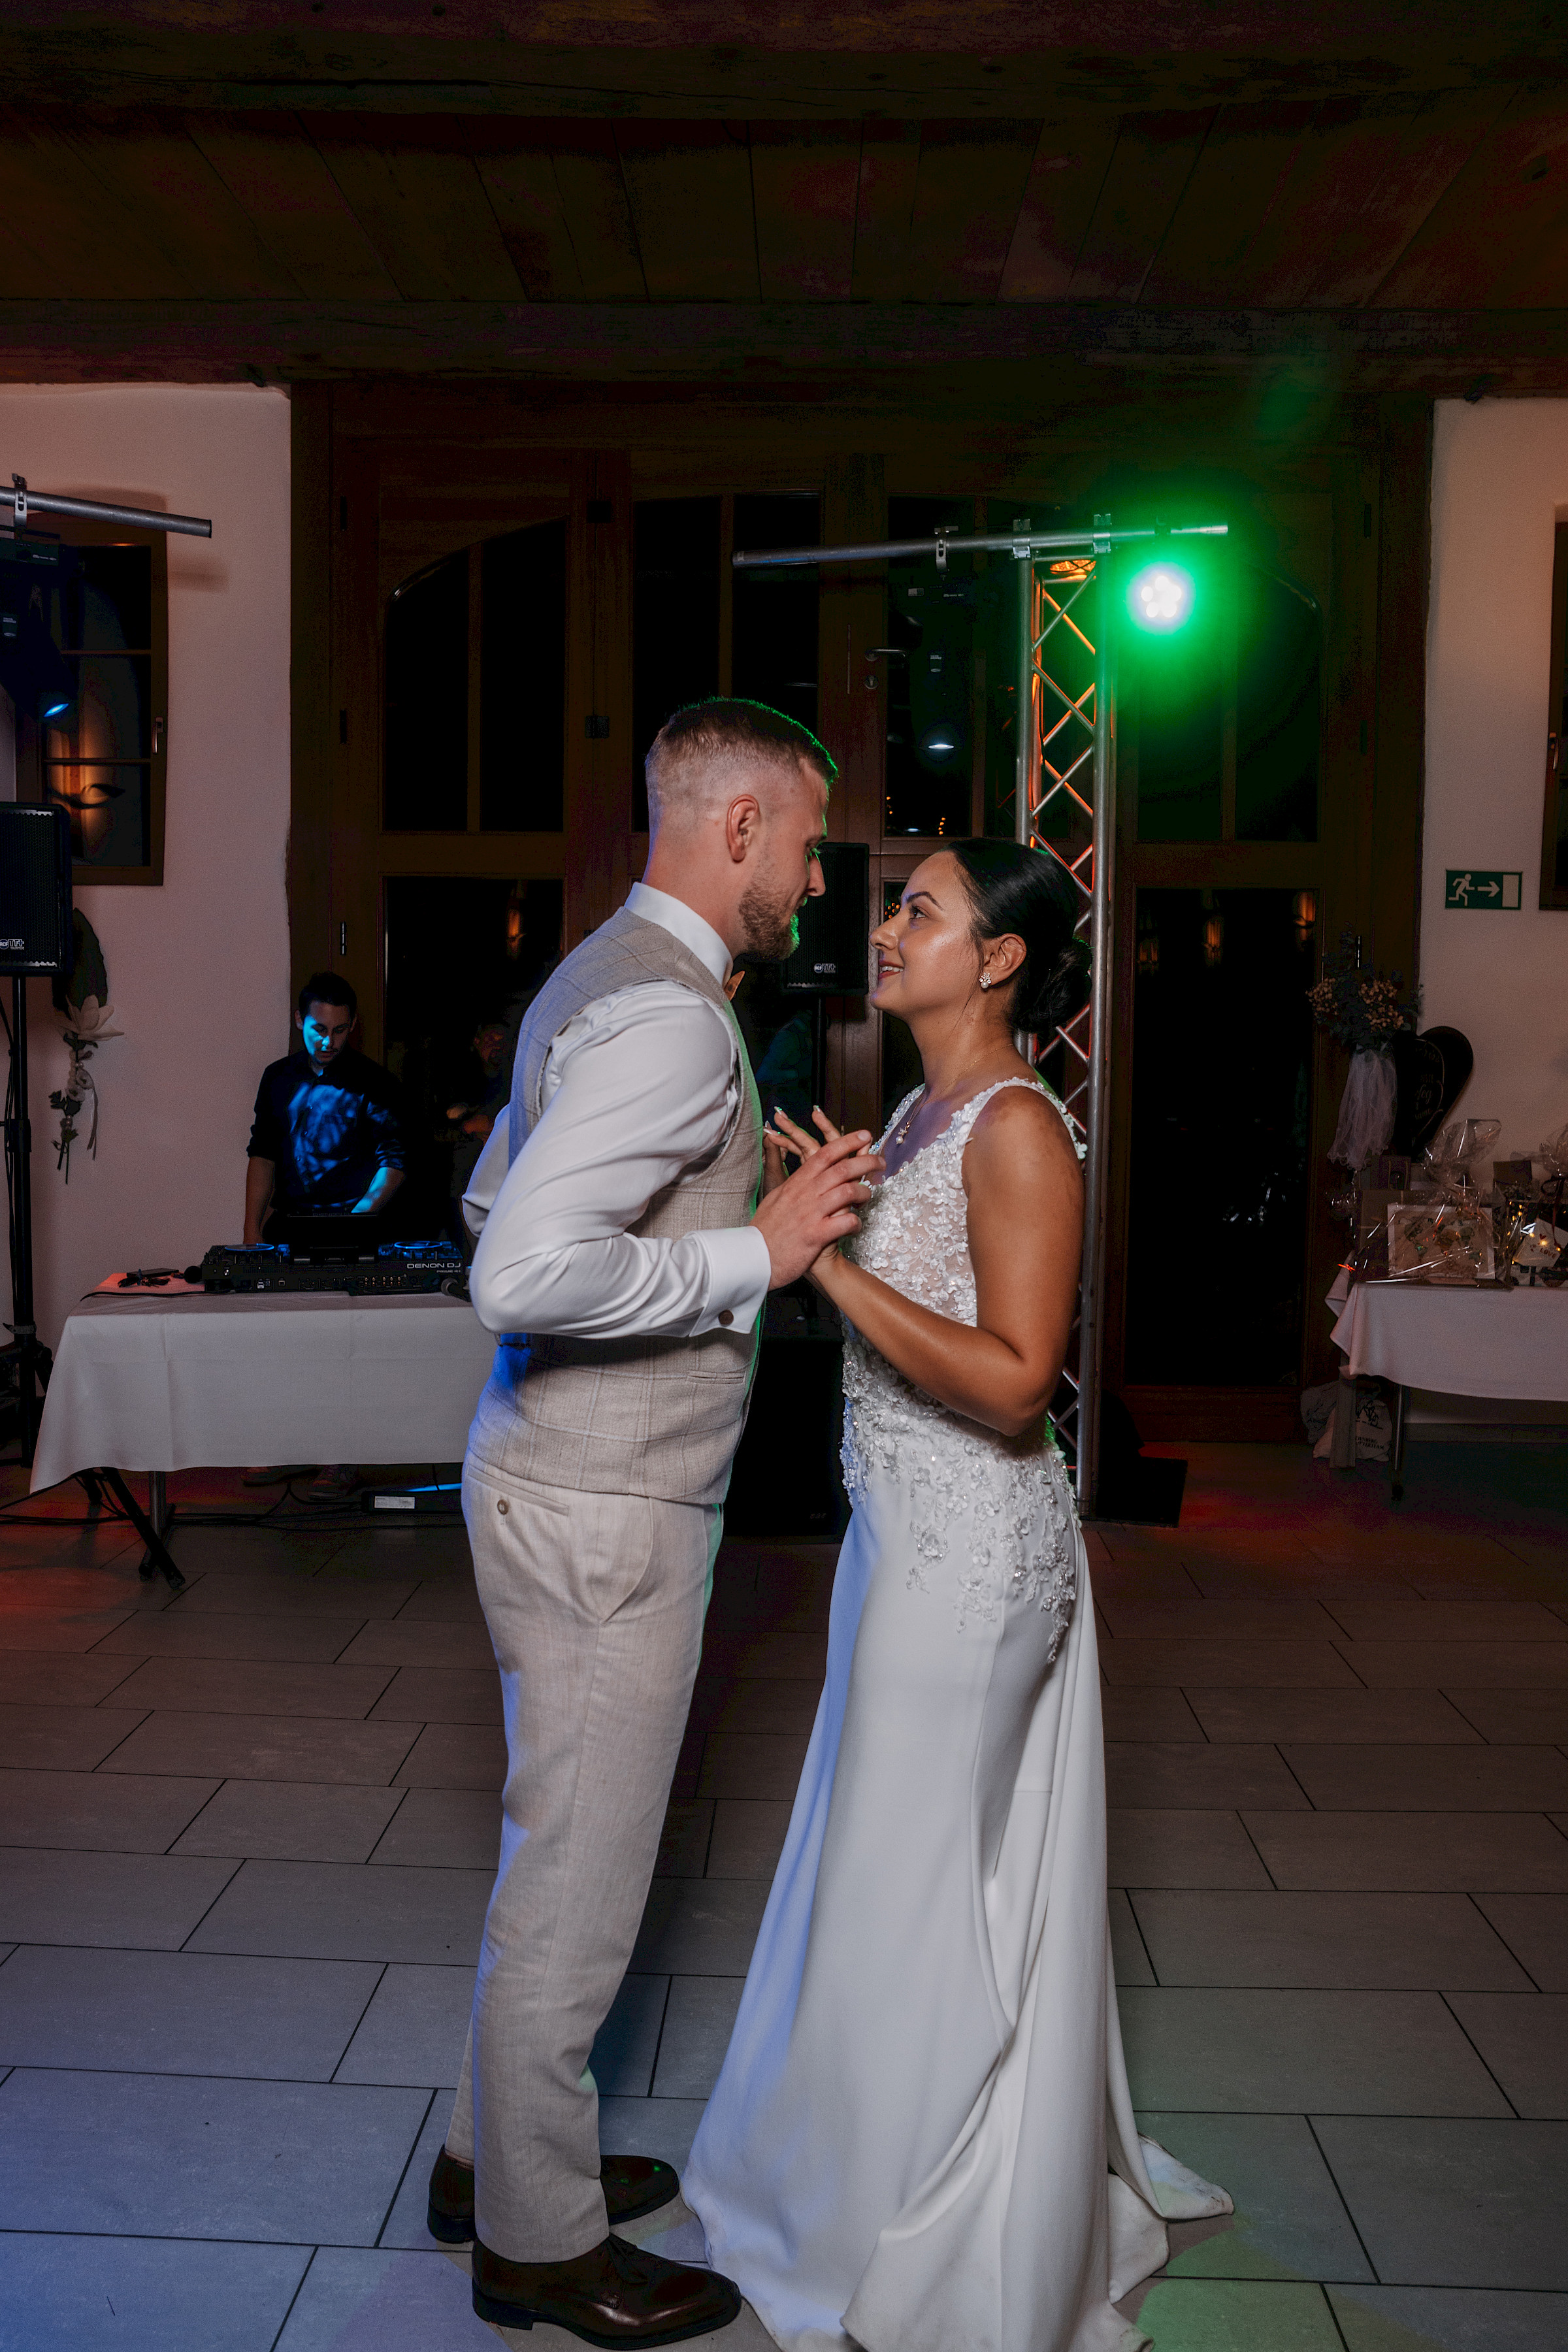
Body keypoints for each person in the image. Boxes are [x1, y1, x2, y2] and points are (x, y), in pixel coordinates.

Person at [684, 840, 1230, 2352]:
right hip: (897, 1537)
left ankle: (915, 2217)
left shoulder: (1016, 1128)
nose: (884, 927)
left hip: (974, 1561)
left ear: (997, 959)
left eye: (918, 910)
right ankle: (854, 2171)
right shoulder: (923, 1111)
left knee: (912, 1878)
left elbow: (1012, 1383)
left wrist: (825, 1266)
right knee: (882, 1860)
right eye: (891, 905)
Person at [428, 698, 886, 2345]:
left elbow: (491, 1193)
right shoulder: (675, 1021)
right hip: (604, 1509)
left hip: (543, 1472)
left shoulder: (592, 973)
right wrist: (754, 1252)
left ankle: (493, 2160)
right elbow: (519, 1268)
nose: (817, 881)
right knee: (579, 1885)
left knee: (548, 1846)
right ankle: (536, 2246)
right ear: (741, 827)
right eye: (810, 846)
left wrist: (704, 1219)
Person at [243, 972, 407, 1503]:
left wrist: (357, 1220)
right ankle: (294, 1444)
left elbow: (394, 1164)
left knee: (342, 1346)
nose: (328, 1041)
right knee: (286, 1341)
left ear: (353, 1026)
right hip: (290, 1225)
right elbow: (262, 1153)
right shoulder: (277, 1077)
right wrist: (251, 1230)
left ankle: (341, 1457)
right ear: (300, 1021)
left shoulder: (374, 1082)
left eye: (339, 1031)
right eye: (319, 1029)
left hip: (352, 1227)